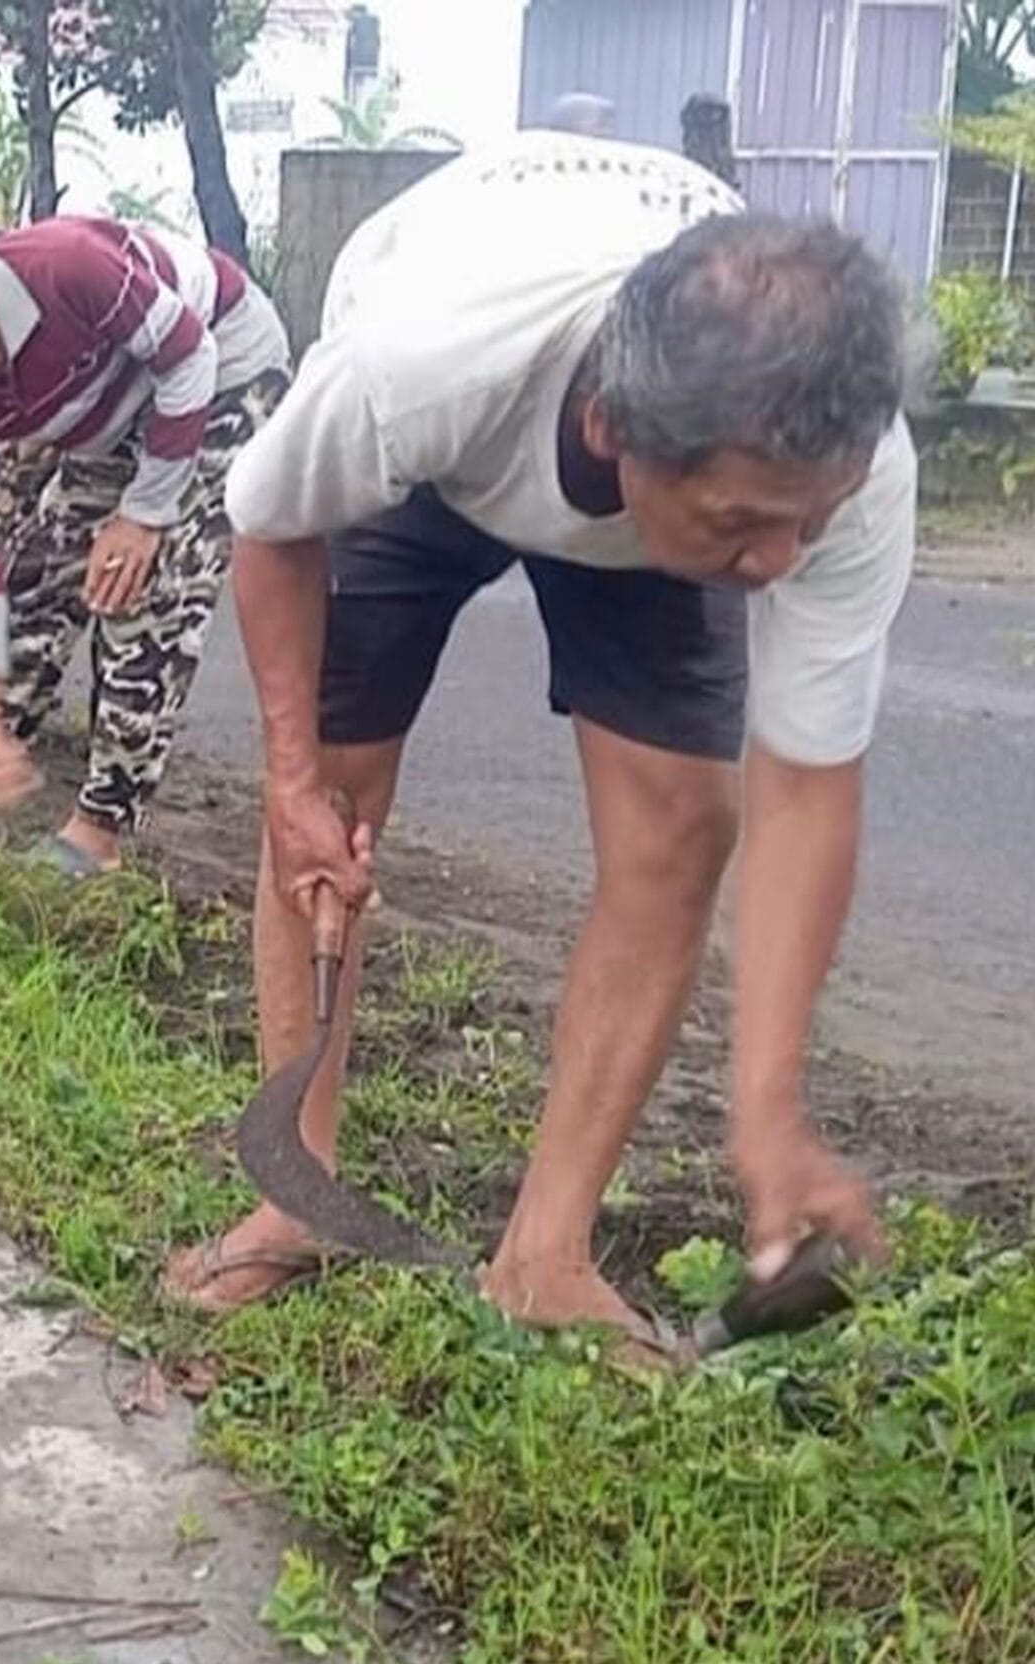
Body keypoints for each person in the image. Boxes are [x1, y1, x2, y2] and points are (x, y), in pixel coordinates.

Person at [169, 131, 916, 1347]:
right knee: (332, 804)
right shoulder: (419, 362)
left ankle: (542, 1253)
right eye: (746, 526)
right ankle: (289, 1198)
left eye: (805, 527)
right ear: (620, 430)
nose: (778, 567)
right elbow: (268, 528)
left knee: (682, 825)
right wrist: (291, 777)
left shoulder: (836, 464)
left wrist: (767, 1106)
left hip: (647, 503)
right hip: (437, 462)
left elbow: (805, 791)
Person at [0, 199, 294, 875]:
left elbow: (189, 357)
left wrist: (144, 515)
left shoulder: (67, 267)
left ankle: (102, 830)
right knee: (33, 573)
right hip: (116, 415)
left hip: (222, 367)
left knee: (138, 589)